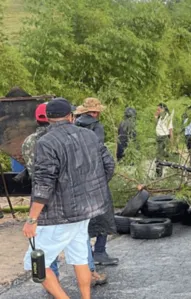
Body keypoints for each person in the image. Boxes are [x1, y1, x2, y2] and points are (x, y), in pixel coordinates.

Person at [22, 98, 115, 299]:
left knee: (34, 262)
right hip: (86, 210)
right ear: (71, 116)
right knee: (80, 256)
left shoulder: (46, 142)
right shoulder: (90, 136)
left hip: (58, 215)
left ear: (48, 119)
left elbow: (44, 183)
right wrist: (91, 189)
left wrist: (31, 219)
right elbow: (109, 165)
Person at [75, 97, 118, 267]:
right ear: (95, 112)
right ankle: (100, 251)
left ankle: (85, 255)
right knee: (104, 215)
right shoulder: (96, 127)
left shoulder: (73, 126)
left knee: (82, 219)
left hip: (77, 180)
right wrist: (103, 180)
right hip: (95, 178)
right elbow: (101, 155)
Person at [155, 103, 174, 177]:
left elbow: (171, 130)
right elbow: (158, 126)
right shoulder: (160, 117)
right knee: (160, 156)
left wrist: (172, 142)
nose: (157, 111)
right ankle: (160, 173)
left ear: (163, 109)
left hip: (164, 138)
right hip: (159, 138)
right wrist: (156, 117)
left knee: (159, 157)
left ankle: (159, 175)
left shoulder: (168, 117)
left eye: (158, 109)